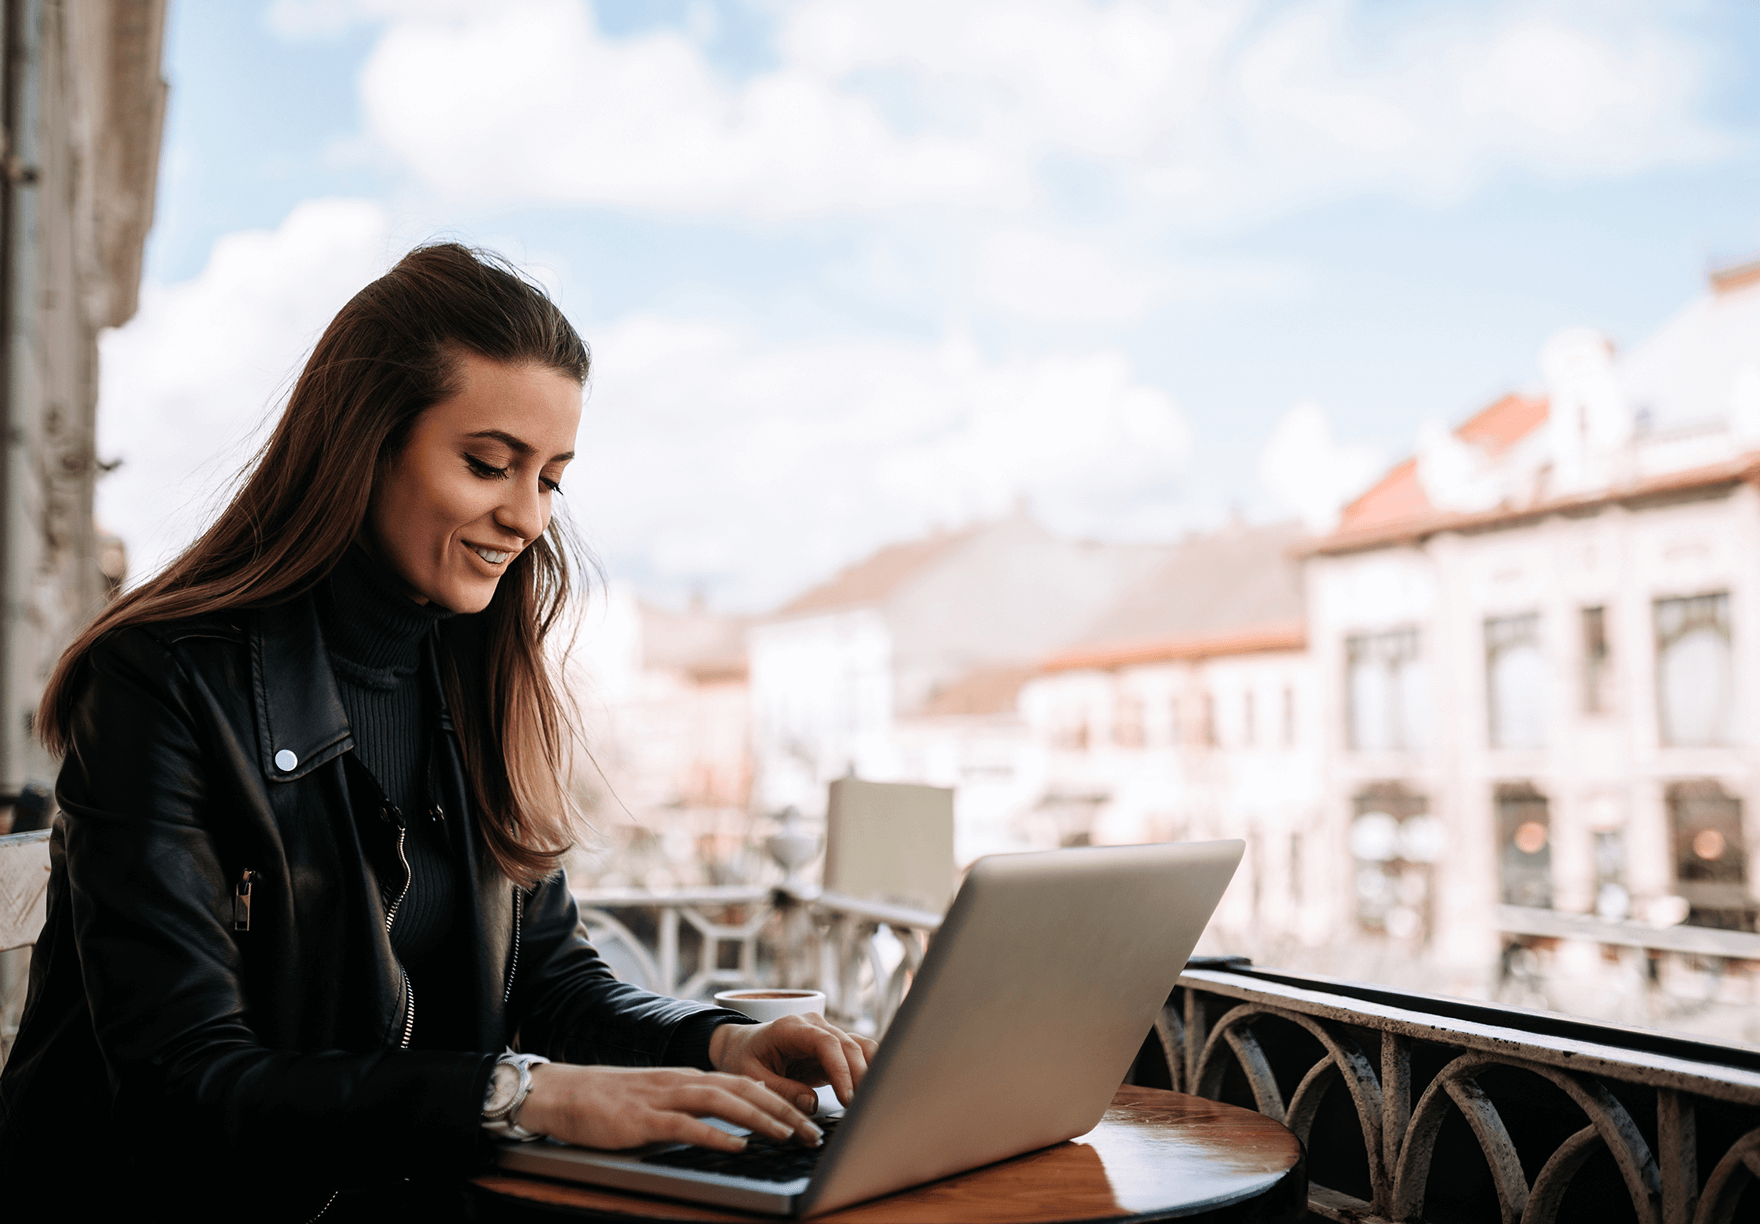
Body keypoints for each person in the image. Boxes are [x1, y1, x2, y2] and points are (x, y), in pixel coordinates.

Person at [0, 244, 876, 1220]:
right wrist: (520, 1094)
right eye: (488, 464)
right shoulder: (162, 681)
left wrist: (714, 1042)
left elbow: (545, 974)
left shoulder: (479, 674)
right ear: (362, 444)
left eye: (550, 478)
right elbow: (183, 1086)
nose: (526, 516)